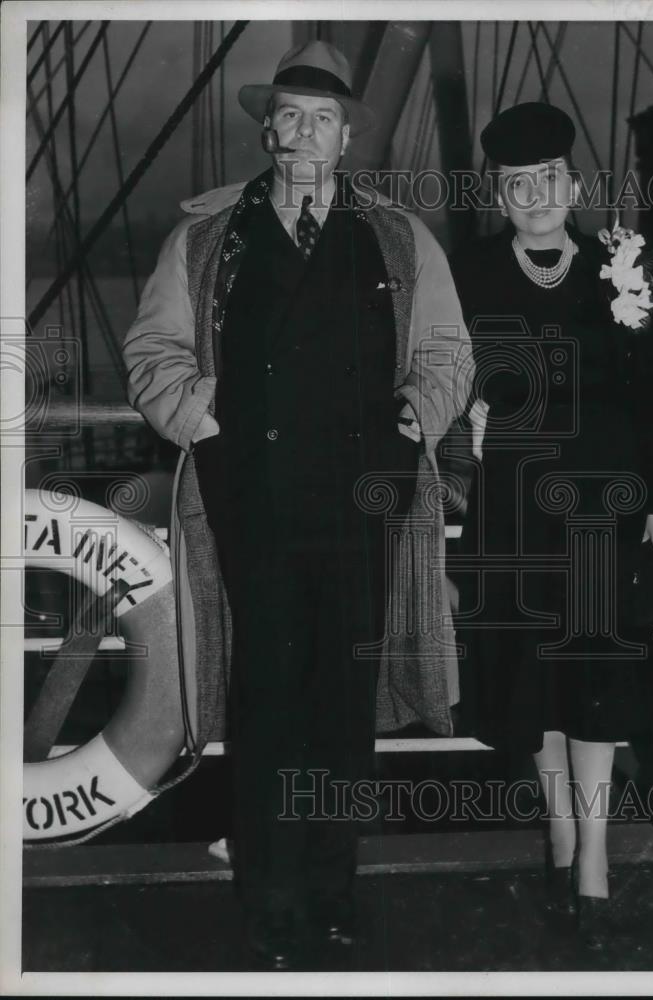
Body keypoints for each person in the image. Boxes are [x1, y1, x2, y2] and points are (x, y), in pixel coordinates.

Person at [123, 40, 472, 970]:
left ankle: (333, 892)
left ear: (347, 135)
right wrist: (194, 416)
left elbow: (447, 353)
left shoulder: (400, 236)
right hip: (253, 504)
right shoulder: (205, 237)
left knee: (343, 708)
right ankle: (269, 899)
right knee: (267, 700)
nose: (304, 132)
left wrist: (414, 422)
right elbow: (152, 349)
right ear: (268, 130)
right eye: (288, 115)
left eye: (323, 117)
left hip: (367, 504)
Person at [449, 102, 653, 949]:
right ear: (498, 195)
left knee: (594, 681)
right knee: (532, 681)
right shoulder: (470, 269)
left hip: (606, 510)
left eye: (549, 178)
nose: (536, 194)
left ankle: (592, 857)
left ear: (573, 184)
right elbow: (440, 365)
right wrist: (465, 411)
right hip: (514, 503)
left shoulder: (622, 264)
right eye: (517, 184)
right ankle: (557, 832)